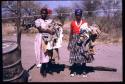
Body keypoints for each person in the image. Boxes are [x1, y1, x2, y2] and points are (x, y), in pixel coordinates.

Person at [68, 9, 94, 77]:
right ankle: (73, 70)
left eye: (79, 15)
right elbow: (71, 33)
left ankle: (84, 70)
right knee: (74, 55)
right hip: (74, 40)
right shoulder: (72, 23)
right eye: (76, 15)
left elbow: (87, 32)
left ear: (81, 15)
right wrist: (69, 42)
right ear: (75, 15)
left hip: (83, 40)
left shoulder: (85, 23)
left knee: (83, 54)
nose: (78, 16)